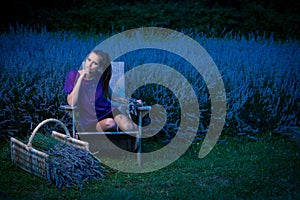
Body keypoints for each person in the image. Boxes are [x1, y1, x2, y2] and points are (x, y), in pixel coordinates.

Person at [64, 49, 139, 132]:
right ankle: (122, 129)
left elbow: (113, 97)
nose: (89, 65)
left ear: (99, 67)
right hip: (90, 120)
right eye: (89, 60)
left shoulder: (100, 77)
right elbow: (71, 102)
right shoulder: (73, 75)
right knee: (110, 123)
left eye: (95, 63)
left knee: (128, 127)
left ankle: (142, 129)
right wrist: (81, 78)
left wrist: (133, 101)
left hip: (109, 111)